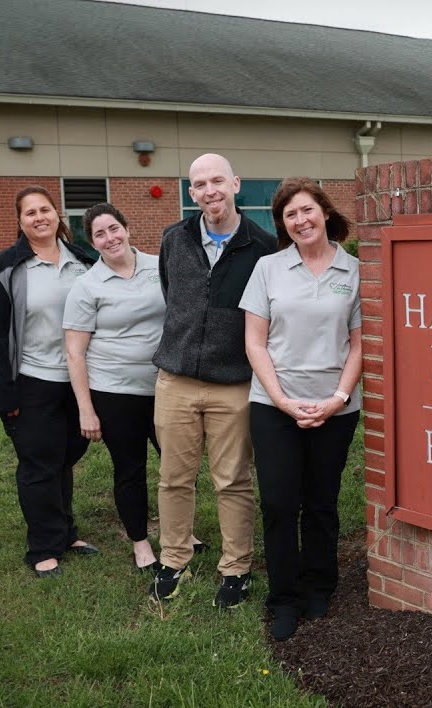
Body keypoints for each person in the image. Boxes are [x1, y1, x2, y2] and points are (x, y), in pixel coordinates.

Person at [149, 153, 276, 608]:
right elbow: (173, 294)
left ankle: (235, 570)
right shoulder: (174, 239)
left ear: (236, 183)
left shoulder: (263, 247)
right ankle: (173, 559)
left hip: (234, 384)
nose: (209, 191)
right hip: (176, 381)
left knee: (233, 481)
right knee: (173, 478)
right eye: (199, 184)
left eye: (217, 180)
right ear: (191, 193)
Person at [240, 177, 362, 640]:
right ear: (283, 224)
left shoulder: (353, 272)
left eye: (307, 210)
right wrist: (282, 400)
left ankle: (319, 587)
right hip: (274, 405)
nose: (300, 220)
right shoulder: (268, 269)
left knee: (321, 503)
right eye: (290, 215)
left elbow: (359, 345)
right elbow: (254, 342)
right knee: (278, 502)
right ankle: (284, 597)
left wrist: (336, 400)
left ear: (325, 213)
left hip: (336, 406)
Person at [63, 203, 205, 573]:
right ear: (92, 242)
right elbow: (75, 353)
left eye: (114, 228)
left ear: (127, 228)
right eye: (99, 234)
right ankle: (141, 543)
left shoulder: (160, 265)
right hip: (115, 393)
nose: (110, 238)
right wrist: (86, 409)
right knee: (130, 468)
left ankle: (182, 532)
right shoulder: (87, 286)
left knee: (178, 465)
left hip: (167, 385)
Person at [0, 186, 98, 578]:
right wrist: (3, 393)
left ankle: (66, 533)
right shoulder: (6, 268)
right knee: (39, 463)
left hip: (79, 380)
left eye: (45, 209)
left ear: (58, 214)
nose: (39, 217)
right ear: (20, 221)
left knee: (66, 456)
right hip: (31, 379)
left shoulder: (84, 261)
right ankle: (43, 546)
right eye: (30, 213)